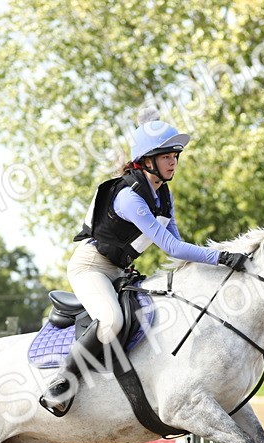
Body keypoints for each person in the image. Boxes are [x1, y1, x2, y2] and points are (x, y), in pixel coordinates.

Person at [38, 109, 250, 417]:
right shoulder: (129, 197)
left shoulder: (163, 195)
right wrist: (221, 257)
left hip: (119, 271)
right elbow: (170, 246)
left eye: (176, 156)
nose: (174, 161)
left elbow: (178, 248)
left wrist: (215, 258)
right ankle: (62, 382)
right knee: (111, 320)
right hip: (90, 268)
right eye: (167, 156)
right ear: (147, 160)